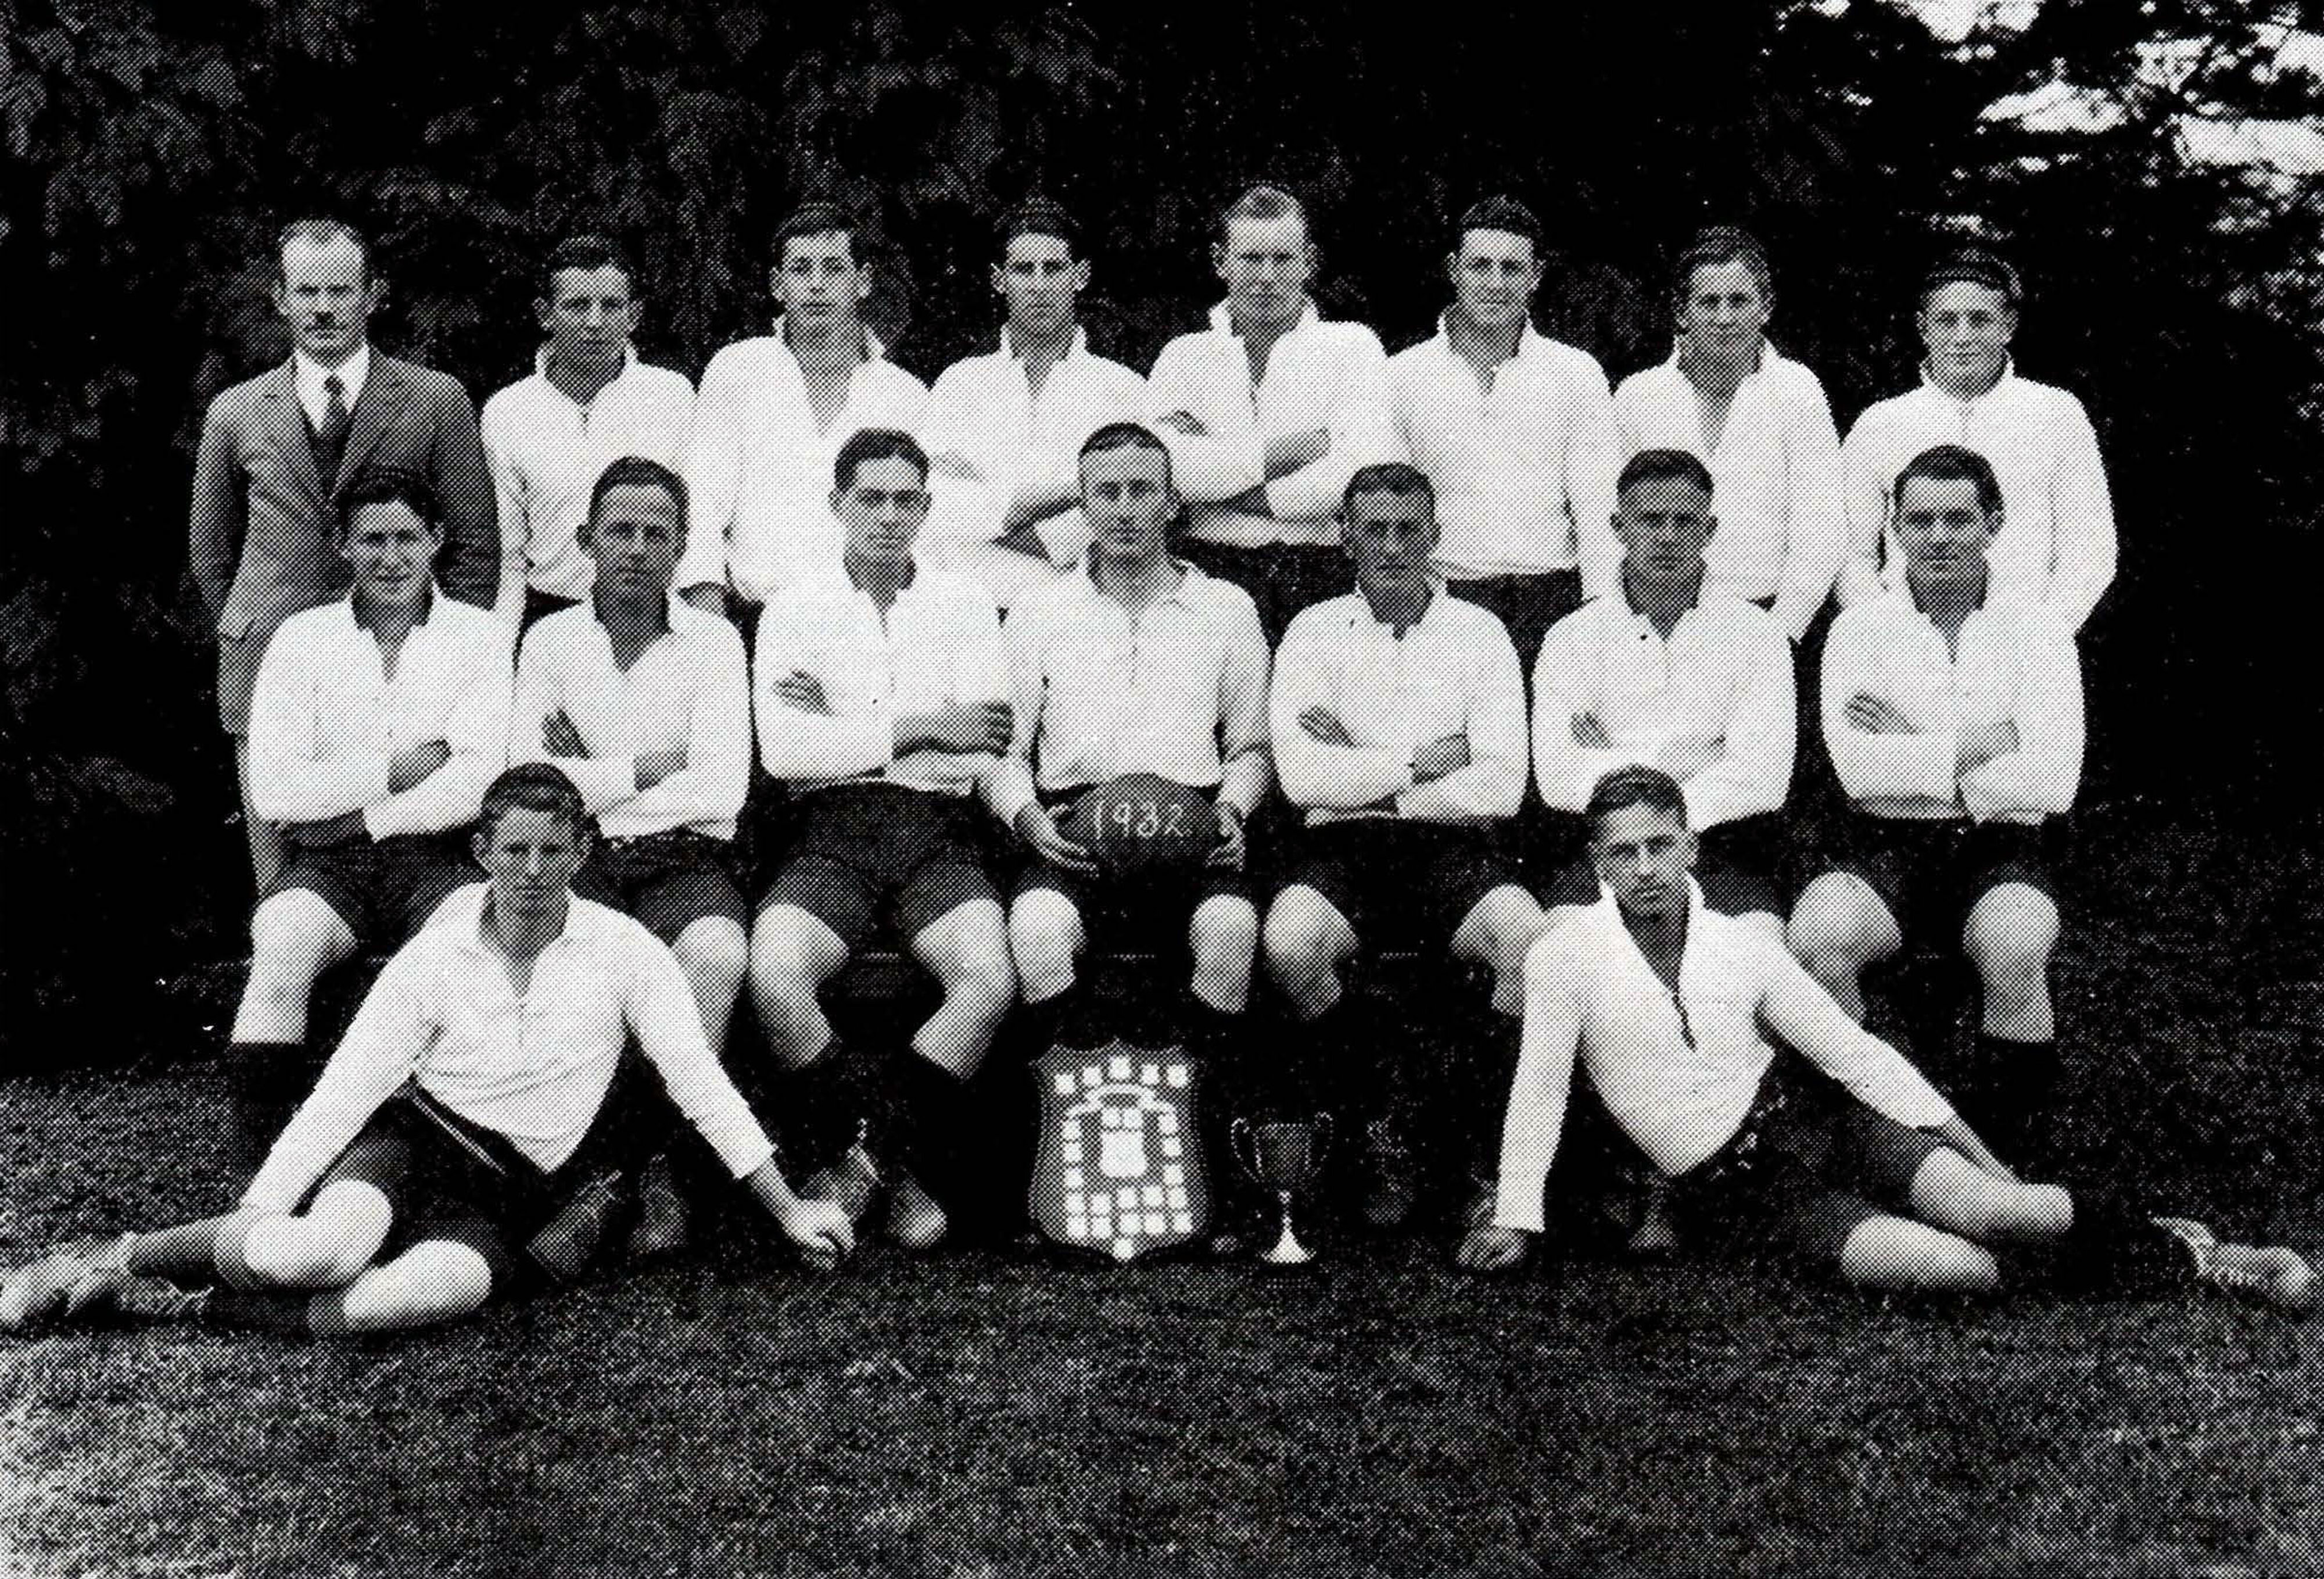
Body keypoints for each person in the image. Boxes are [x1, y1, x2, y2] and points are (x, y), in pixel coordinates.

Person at [0, 765, 855, 1340]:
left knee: (413, 1298)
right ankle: (113, 1259)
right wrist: (259, 1211)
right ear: (480, 853)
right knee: (314, 1252)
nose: (531, 870)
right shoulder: (434, 955)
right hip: (413, 1147)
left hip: (517, 1195)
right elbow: (342, 1095)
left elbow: (700, 1083)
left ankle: (204, 1306)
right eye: (512, 850)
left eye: (552, 851)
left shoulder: (627, 948)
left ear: (583, 854)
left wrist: (787, 1209)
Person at [1455, 767, 2314, 1316]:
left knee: (2001, 1208)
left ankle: (2206, 1253)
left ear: (1692, 847)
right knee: (1959, 1269)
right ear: (1596, 864)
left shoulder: (1746, 943)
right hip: (1750, 1194)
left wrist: (1978, 1154)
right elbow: (1539, 1089)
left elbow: (1854, 1056)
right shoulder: (1564, 955)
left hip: (1825, 1121)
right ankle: (2105, 1244)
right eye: (1622, 852)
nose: (1644, 867)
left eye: (1660, 845)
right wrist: (1518, 1218)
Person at [751, 430, 1017, 1251]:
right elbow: (788, 752)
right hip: (830, 829)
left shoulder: (966, 602)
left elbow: (988, 742)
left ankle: (860, 1165)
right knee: (774, 971)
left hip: (936, 829)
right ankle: (892, 1174)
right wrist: (923, 725)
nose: (889, 516)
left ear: (928, 509)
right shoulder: (793, 606)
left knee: (986, 976)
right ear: (838, 505)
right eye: (871, 499)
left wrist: (847, 722)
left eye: (907, 500)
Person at [1263, 463, 1544, 1229]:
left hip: (1451, 848)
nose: (1392, 546)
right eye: (1374, 529)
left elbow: (1499, 786)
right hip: (1344, 848)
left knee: (1527, 938)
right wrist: (1420, 761)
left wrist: (1361, 764)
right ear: (1345, 537)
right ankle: (1381, 1124)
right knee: (1289, 943)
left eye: (1408, 529)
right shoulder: (1312, 630)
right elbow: (1301, 778)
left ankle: (1482, 1155)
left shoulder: (1480, 633)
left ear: (1434, 536)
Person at [1789, 445, 2081, 1168]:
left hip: (2002, 846)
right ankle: (1891, 1141)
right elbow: (1859, 773)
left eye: (1958, 519)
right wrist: (1985, 743)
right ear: (1894, 528)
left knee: (2014, 944)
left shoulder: (2039, 629)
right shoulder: (1859, 628)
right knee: (1820, 934)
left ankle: (2009, 1156)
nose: (1939, 537)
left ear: (1994, 523)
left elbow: (2052, 780)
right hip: (1884, 840)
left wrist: (1916, 748)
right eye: (1919, 521)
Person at [190, 217, 498, 891]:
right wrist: (261, 620)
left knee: (412, 861)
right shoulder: (236, 411)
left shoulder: (434, 399)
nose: (324, 307)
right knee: (280, 882)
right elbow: (212, 551)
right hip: (271, 656)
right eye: (307, 291)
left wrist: (441, 644)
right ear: (280, 297)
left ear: (373, 293)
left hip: (405, 661)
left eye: (341, 289)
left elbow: (473, 546)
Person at [228, 470, 512, 1172]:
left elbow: (475, 781)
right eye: (372, 539)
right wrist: (395, 768)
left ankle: (433, 1167)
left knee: (468, 943)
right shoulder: (301, 640)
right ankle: (261, 1179)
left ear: (436, 541)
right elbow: (276, 792)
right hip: (328, 866)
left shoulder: (478, 637)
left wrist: (354, 810)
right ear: (343, 546)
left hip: (438, 858)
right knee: (284, 941)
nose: (391, 557)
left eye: (407, 538)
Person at [511, 456, 750, 1255]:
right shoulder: (549, 641)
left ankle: (659, 1176)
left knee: (715, 953)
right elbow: (529, 783)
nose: (638, 548)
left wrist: (591, 779)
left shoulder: (714, 641)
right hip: (584, 862)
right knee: (565, 969)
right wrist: (646, 770)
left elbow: (720, 789)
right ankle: (585, 1183)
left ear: (683, 548)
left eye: (659, 533)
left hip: (685, 858)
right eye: (620, 530)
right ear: (585, 539)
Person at [989, 423, 1272, 1075]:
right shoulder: (1039, 609)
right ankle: (1076, 1134)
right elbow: (1002, 749)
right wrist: (1029, 819)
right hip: (1075, 830)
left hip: (1192, 825)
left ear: (1172, 502)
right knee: (1036, 928)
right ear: (1082, 505)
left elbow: (1252, 744)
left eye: (1141, 490)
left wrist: (1233, 808)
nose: (1123, 508)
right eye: (1106, 492)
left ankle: (1199, 1130)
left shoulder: (1226, 607)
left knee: (1230, 930)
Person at [1532, 449, 1794, 923]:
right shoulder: (1571, 635)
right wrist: (1678, 763)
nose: (1669, 536)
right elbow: (1557, 779)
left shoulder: (1758, 632)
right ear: (1618, 526)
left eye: (1685, 521)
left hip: (1721, 856)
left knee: (1759, 952)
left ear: (1710, 530)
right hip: (1608, 858)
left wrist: (1620, 761)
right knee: (1559, 950)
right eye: (1652, 520)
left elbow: (1763, 780)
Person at [1146, 184, 1397, 642]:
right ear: (1221, 261)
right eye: (1251, 259)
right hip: (1207, 571)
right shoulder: (1183, 357)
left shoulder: (1352, 348)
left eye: (1282, 259)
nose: (1266, 276)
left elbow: (1356, 477)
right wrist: (1297, 453)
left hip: (1321, 575)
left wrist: (1217, 484)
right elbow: (1165, 473)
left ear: (1309, 262)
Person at [1389, 195, 1621, 671]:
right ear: (1454, 269)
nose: (1496, 283)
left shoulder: (1575, 374)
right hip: (1443, 602)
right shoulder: (1401, 376)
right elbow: (1392, 508)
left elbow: (1599, 514)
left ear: (1535, 276)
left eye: (1512, 268)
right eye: (1481, 266)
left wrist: (1602, 623)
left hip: (1552, 603)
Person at [1839, 247, 2115, 631]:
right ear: (1923, 327)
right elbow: (1851, 552)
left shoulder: (2057, 415)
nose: (1962, 336)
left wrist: (2043, 636)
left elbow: (2090, 550)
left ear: (2009, 325)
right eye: (1947, 321)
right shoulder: (1881, 423)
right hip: (1905, 645)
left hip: (2025, 642)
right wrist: (1890, 633)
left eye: (1980, 320)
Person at [680, 202, 928, 624]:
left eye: (833, 268)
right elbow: (701, 505)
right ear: (778, 284)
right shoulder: (738, 370)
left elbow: (919, 529)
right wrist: (709, 625)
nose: (816, 284)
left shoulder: (905, 395)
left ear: (863, 281)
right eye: (801, 269)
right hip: (753, 618)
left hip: (867, 623)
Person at [1613, 225, 1844, 646]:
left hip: (1771, 616)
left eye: (1739, 301)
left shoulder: (1798, 391)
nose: (1724, 318)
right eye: (1708, 302)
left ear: (1766, 307)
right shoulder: (1639, 396)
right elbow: (1614, 517)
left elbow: (1821, 526)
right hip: (1658, 621)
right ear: (1682, 311)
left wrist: (1780, 632)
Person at [920, 198, 1147, 610]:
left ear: (1080, 275)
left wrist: (987, 511)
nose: (1039, 285)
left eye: (1054, 268)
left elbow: (1119, 512)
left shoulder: (1123, 390)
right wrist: (1070, 498)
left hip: (1074, 613)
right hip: (966, 613)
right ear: (999, 279)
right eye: (1024, 270)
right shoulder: (959, 385)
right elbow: (933, 505)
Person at [482, 236, 695, 635]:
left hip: (654, 618)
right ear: (545, 314)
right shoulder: (508, 411)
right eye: (577, 305)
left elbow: (692, 530)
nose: (595, 322)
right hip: (550, 617)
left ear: (634, 315)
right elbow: (508, 556)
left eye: (611, 306)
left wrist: (691, 633)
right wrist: (498, 657)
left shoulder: (673, 395)